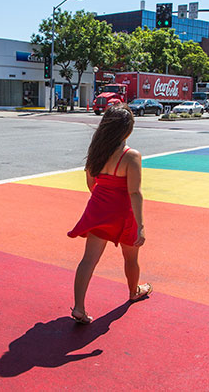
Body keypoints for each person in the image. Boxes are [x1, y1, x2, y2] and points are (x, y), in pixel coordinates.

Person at [67, 104, 150, 324]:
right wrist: (140, 225)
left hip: (99, 210)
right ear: (128, 130)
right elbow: (135, 192)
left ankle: (78, 307)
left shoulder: (97, 152)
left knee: (88, 260)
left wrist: (102, 201)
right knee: (131, 257)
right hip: (123, 214)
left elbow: (90, 182)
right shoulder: (131, 156)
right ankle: (134, 291)